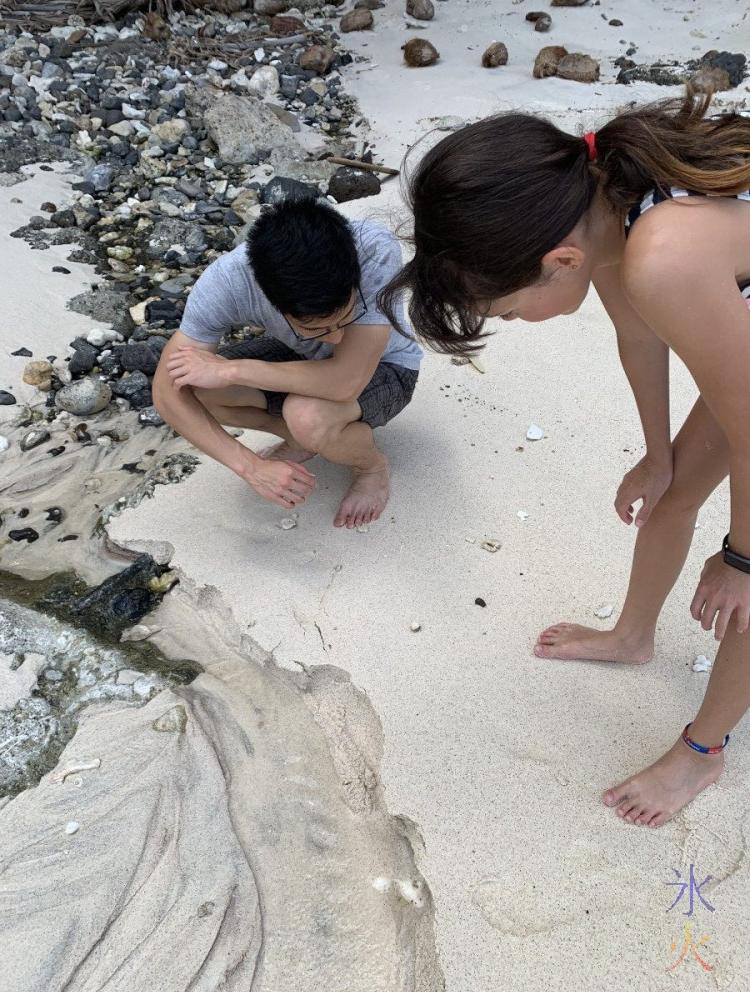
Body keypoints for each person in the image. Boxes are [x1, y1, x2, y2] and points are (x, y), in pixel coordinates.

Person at [378, 88, 750, 828]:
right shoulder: (603, 202)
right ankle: (632, 636)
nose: (519, 322)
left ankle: (701, 754)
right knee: (675, 493)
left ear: (559, 260)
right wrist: (655, 454)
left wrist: (741, 559)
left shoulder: (662, 257)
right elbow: (639, 335)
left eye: (510, 312)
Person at [153, 197, 422, 528]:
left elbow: (345, 381)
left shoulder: (374, 251)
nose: (336, 338)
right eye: (316, 328)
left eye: (345, 319)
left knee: (306, 416)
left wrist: (231, 370)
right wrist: (250, 467)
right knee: (194, 384)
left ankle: (370, 465)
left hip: (387, 367)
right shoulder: (227, 282)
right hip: (298, 358)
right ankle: (300, 439)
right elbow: (166, 391)